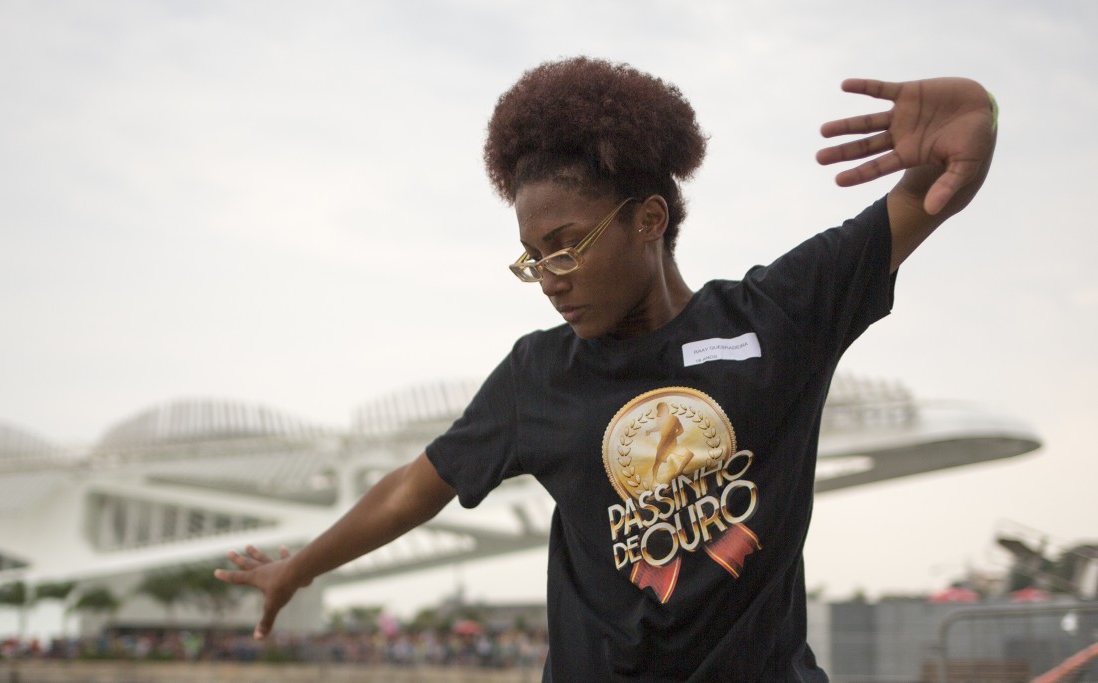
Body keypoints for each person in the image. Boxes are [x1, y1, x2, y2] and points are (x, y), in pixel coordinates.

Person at [215, 57, 997, 682]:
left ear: (649, 219)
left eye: (567, 243)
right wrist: (302, 566)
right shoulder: (538, 374)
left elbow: (929, 193)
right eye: (532, 255)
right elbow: (418, 485)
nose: (550, 273)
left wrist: (979, 120)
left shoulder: (774, 320)